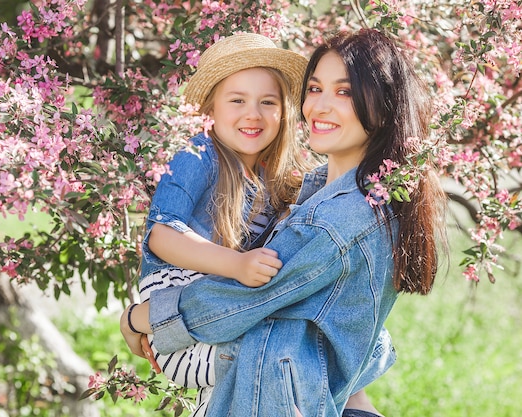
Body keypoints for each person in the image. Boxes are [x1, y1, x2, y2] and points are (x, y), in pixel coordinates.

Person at [121, 28, 448, 417]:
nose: (321, 106)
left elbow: (249, 298)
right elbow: (338, 319)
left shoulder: (336, 219)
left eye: (344, 92)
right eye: (314, 88)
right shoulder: (317, 191)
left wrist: (140, 318)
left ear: (382, 105)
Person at [136, 32, 313, 416]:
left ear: (283, 113)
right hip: (181, 327)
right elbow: (161, 234)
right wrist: (236, 265)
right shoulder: (198, 154)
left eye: (268, 102)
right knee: (277, 362)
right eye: (237, 100)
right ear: (210, 110)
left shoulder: (271, 178)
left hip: (221, 317)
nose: (253, 113)